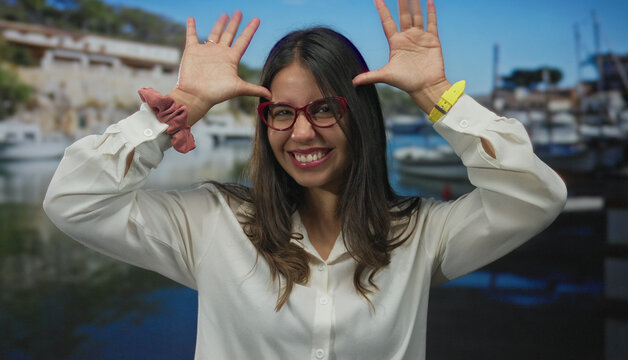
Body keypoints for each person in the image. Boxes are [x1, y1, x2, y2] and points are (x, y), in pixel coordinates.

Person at [43, 0, 567, 358]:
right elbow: (73, 203)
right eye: (281, 113)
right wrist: (178, 110)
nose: (301, 133)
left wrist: (436, 95)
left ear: (359, 115)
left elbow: (534, 196)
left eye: (323, 109)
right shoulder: (212, 223)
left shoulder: (420, 235)